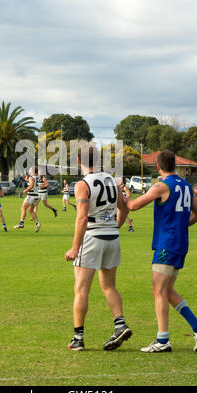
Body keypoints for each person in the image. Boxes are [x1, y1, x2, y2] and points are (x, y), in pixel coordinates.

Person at [126, 150, 197, 353]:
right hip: (180, 243)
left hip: (166, 244)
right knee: (168, 291)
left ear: (158, 167)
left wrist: (125, 196)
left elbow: (133, 206)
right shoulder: (187, 186)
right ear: (175, 165)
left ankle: (163, 340)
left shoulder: (161, 186)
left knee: (158, 291)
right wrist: (181, 227)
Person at [65, 145, 132, 351]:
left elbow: (82, 217)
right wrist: (115, 227)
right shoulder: (113, 180)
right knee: (109, 286)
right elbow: (124, 209)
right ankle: (120, 324)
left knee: (81, 290)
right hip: (113, 237)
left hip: (93, 237)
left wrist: (75, 247)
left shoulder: (82, 184)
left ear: (79, 161)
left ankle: (78, 339)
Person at [14, 167, 41, 232]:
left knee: (23, 208)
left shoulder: (31, 178)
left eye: (30, 170)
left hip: (31, 195)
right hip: (36, 196)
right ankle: (37, 223)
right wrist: (27, 179)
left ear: (32, 171)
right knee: (31, 210)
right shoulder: (37, 177)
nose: (29, 171)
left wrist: (25, 190)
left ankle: (21, 223)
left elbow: (31, 185)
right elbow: (33, 183)